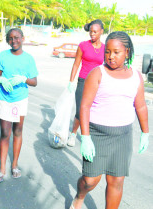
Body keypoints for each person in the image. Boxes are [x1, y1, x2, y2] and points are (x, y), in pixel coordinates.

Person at [70, 31, 149, 209]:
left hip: (122, 135)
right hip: (97, 134)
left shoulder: (136, 76)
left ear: (127, 52)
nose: (110, 56)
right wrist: (86, 137)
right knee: (90, 180)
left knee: (116, 181)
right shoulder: (97, 73)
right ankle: (79, 196)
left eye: (116, 52)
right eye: (107, 52)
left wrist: (145, 132)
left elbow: (141, 106)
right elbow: (85, 106)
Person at [0, 28, 38, 183]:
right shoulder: (3, 56)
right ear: (8, 40)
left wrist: (23, 79)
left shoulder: (29, 59)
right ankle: (2, 169)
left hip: (20, 99)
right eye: (10, 38)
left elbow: (34, 82)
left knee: (17, 131)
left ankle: (14, 165)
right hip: (5, 98)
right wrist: (1, 79)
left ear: (22, 38)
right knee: (5, 133)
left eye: (17, 38)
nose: (14, 41)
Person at [67, 19, 104, 147]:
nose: (92, 34)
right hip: (83, 81)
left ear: (101, 32)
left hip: (98, 83)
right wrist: (71, 81)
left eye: (95, 32)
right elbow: (76, 63)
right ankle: (73, 134)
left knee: (93, 111)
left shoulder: (105, 48)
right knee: (80, 110)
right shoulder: (83, 45)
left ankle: (87, 135)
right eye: (90, 32)